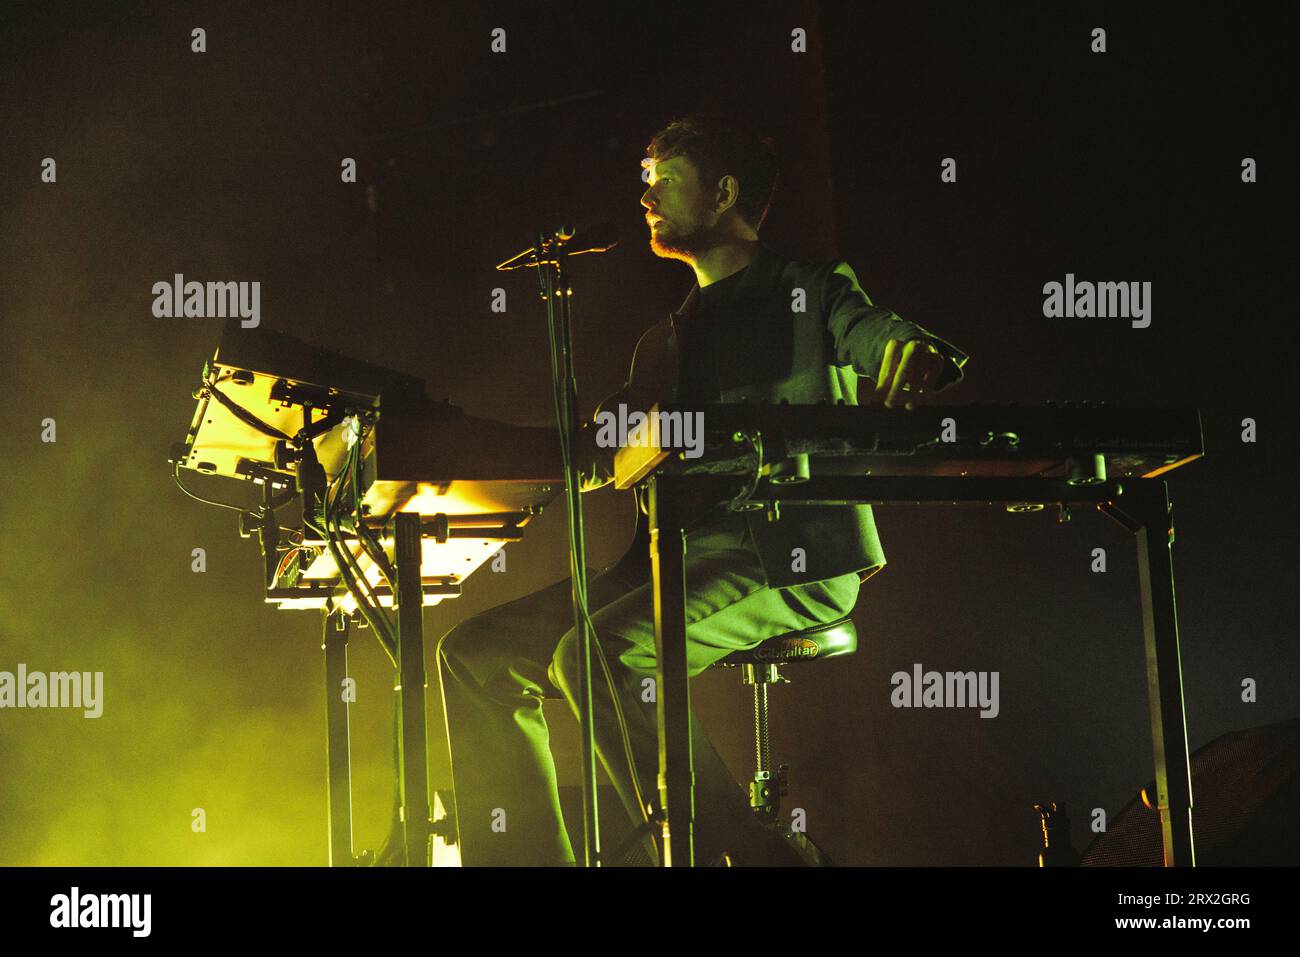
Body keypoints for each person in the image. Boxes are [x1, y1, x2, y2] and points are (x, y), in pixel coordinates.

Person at [436, 113, 970, 866]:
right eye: (642, 181)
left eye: (663, 179)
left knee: (592, 658)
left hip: (787, 555)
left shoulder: (810, 287)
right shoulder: (664, 341)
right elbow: (590, 452)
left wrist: (908, 350)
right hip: (665, 563)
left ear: (722, 192)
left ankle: (743, 857)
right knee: (476, 653)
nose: (645, 195)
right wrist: (444, 451)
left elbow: (872, 330)